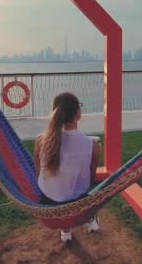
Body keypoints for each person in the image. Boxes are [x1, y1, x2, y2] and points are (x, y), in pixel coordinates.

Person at [34, 92, 102, 243]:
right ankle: (90, 218)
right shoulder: (93, 145)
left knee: (64, 191)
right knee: (89, 193)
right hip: (78, 202)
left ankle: (65, 230)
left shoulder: (41, 141)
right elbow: (91, 179)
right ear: (78, 114)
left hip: (48, 201)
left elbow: (38, 171)